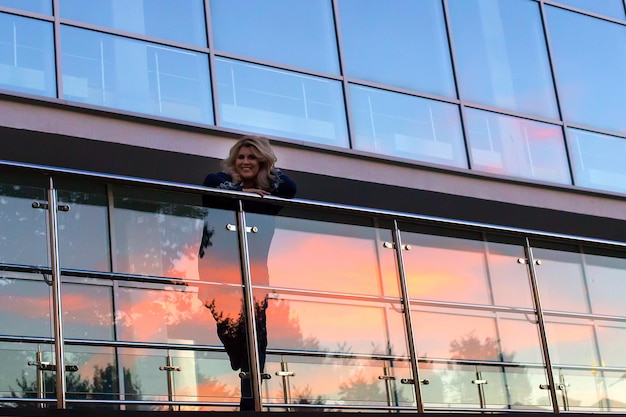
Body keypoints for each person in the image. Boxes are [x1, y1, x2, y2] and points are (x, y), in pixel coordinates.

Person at [197, 135, 296, 410]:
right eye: (241, 157)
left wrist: (255, 189)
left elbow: (290, 185)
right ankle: (239, 358)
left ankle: (250, 401)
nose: (245, 162)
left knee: (256, 333)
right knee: (229, 329)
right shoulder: (218, 182)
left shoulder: (272, 192)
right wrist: (243, 194)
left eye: (252, 157)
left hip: (253, 274)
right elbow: (211, 185)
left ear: (262, 161)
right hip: (217, 271)